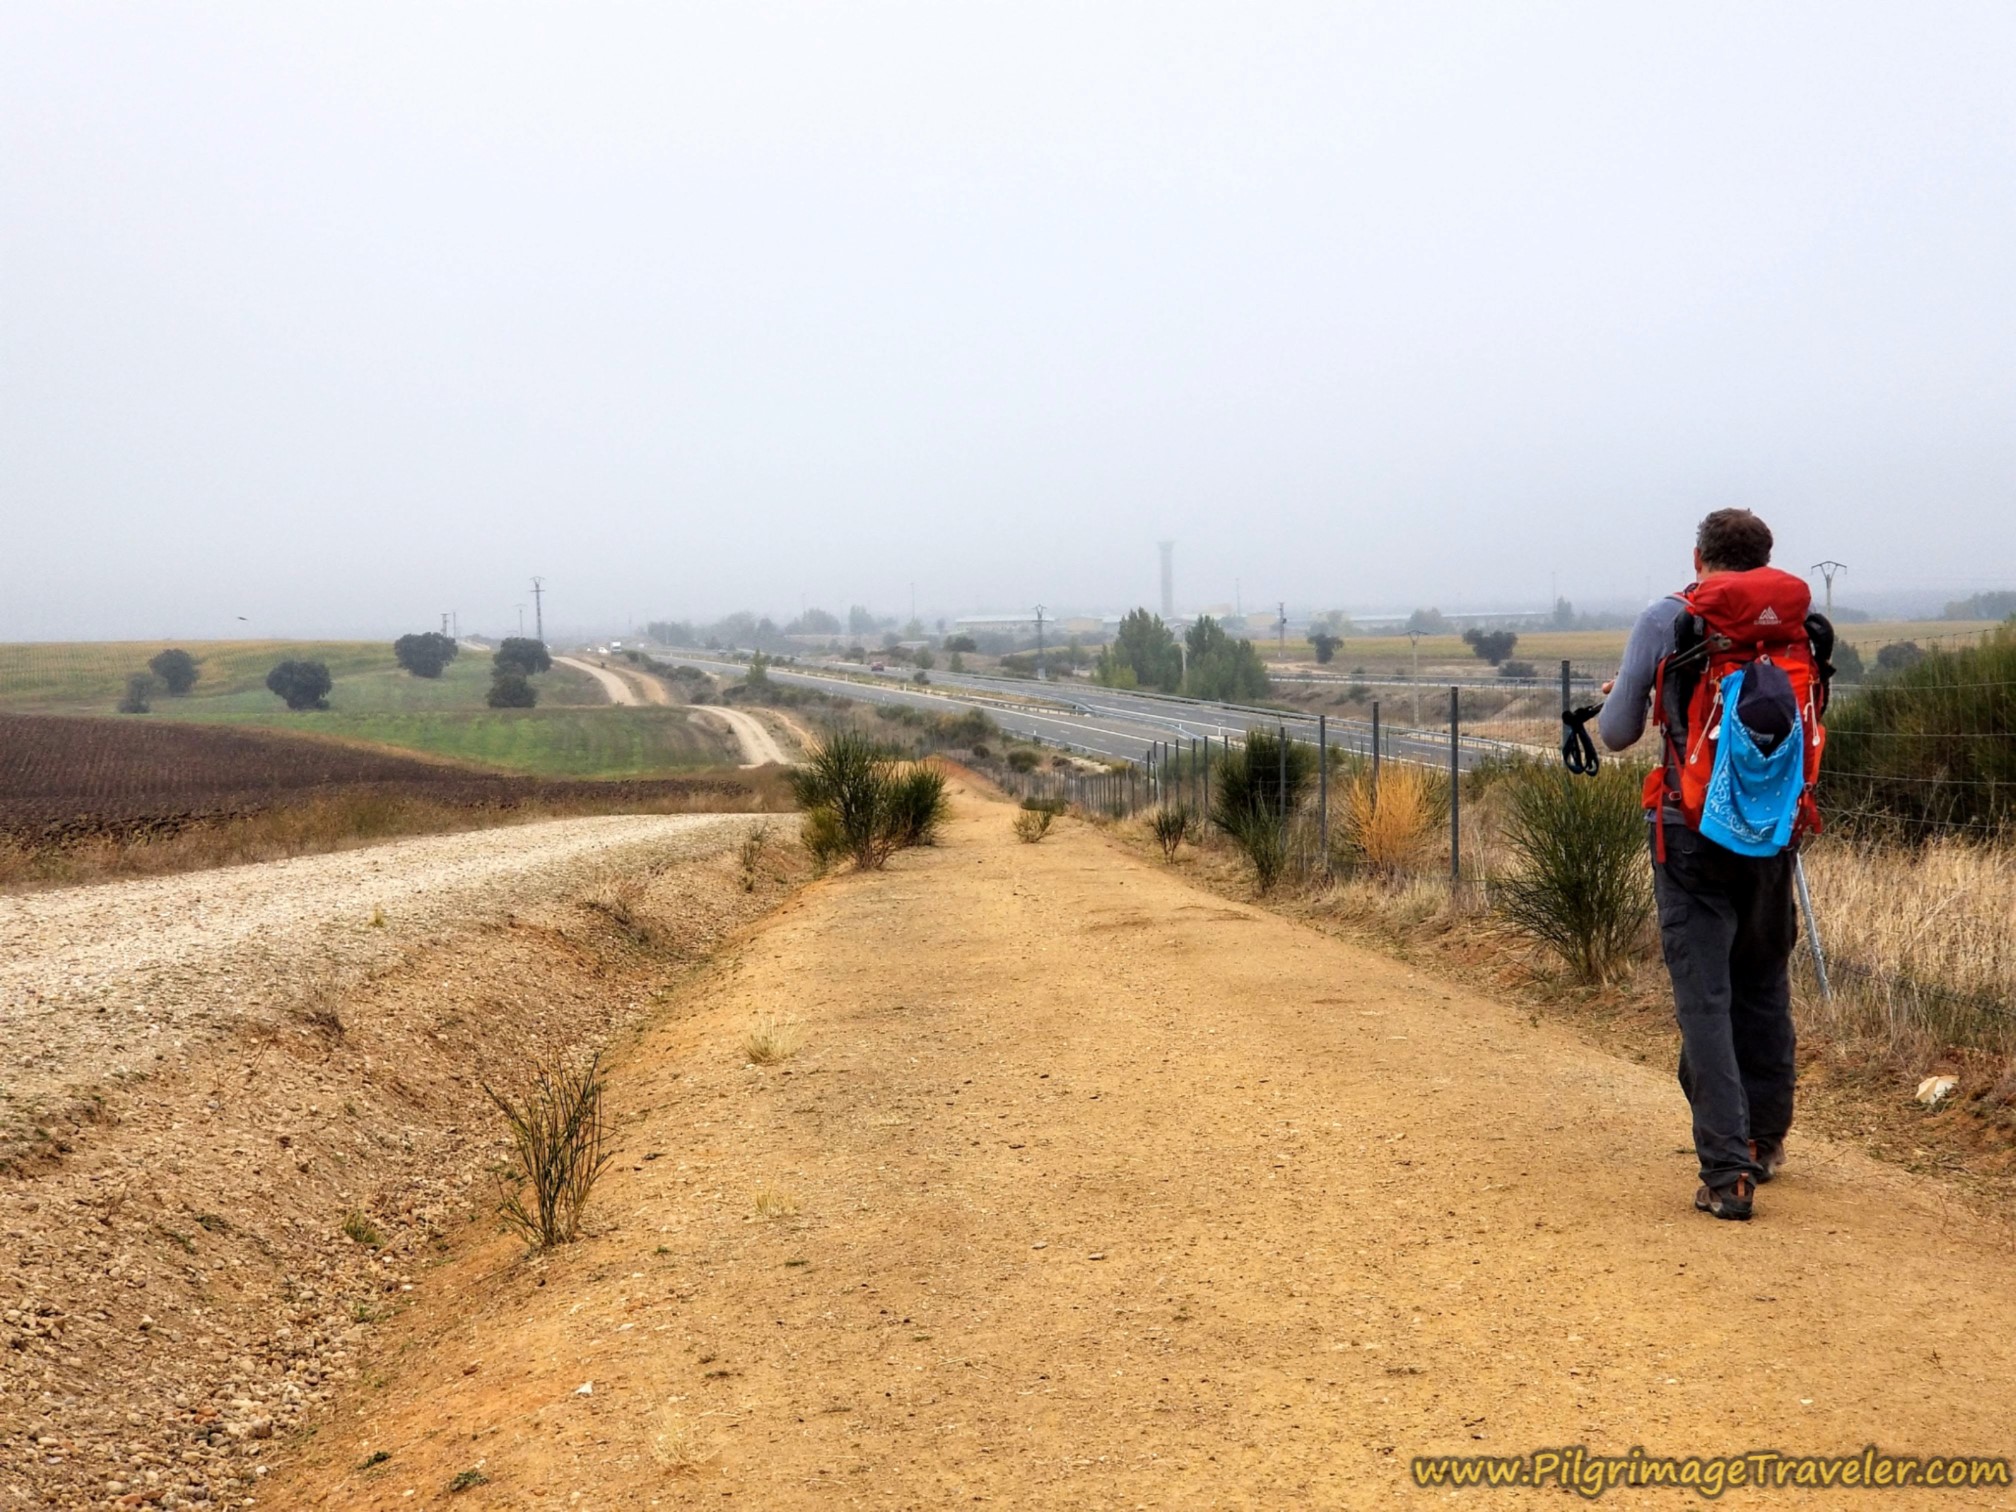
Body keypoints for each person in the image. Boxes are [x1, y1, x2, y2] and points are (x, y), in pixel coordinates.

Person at [1598, 509, 1801, 1222]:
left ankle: (1725, 1175)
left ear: (1698, 556)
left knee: (1705, 1000)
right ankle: (1764, 1142)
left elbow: (1618, 732)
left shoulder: (1671, 618)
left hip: (1689, 834)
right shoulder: (1795, 626)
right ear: (1767, 559)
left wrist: (1636, 696)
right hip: (1774, 833)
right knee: (1763, 981)